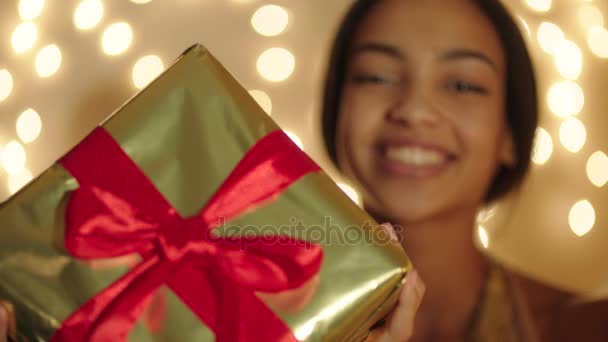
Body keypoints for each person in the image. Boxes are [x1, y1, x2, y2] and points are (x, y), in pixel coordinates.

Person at [320, 0, 539, 340]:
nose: (414, 110)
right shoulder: (247, 311)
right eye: (376, 76)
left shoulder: (590, 326)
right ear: (337, 110)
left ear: (509, 132)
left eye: (462, 86)